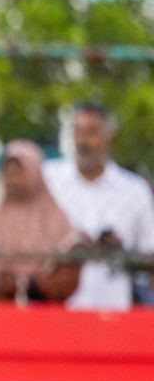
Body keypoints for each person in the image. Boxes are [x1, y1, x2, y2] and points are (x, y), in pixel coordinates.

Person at [41, 104, 154, 310]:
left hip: (113, 309)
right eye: (77, 130)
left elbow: (149, 252)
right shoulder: (48, 180)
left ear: (111, 139)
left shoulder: (134, 189)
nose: (83, 140)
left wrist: (119, 250)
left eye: (93, 131)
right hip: (53, 310)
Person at [0, 140, 81, 303]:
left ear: (35, 173)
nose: (12, 179)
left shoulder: (58, 222)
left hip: (45, 314)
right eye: (8, 172)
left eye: (19, 172)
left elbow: (68, 279)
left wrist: (30, 285)